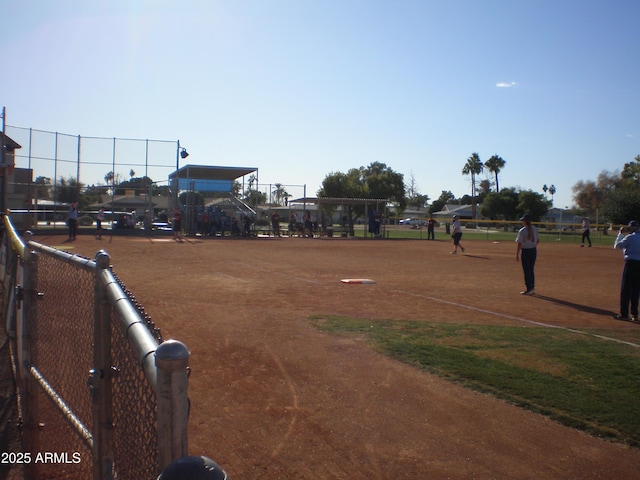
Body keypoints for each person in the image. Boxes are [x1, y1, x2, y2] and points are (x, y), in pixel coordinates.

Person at [613, 220, 640, 321]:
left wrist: (620, 234)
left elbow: (617, 246)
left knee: (626, 289)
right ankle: (635, 314)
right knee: (636, 290)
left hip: (631, 264)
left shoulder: (630, 237)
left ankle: (624, 314)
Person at [515, 213, 539, 295]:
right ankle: (531, 288)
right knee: (531, 270)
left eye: (523, 220)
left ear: (525, 221)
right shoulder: (535, 229)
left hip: (525, 251)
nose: (522, 222)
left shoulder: (522, 231)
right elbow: (537, 241)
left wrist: (517, 254)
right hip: (533, 251)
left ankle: (529, 289)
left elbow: (519, 244)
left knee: (526, 271)